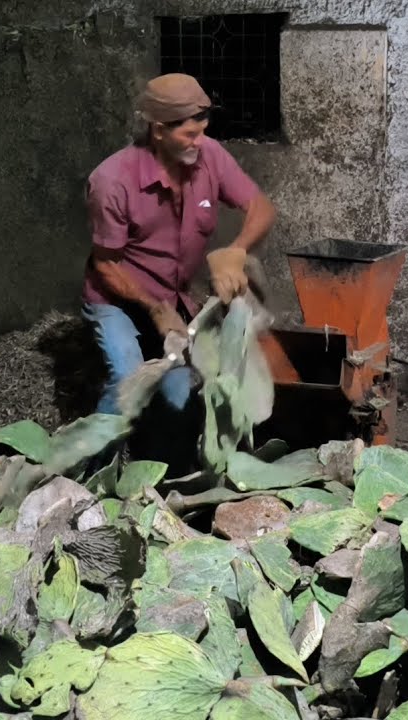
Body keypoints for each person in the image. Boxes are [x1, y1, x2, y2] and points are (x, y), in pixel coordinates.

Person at [81, 73, 276, 466]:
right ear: (157, 130)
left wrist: (236, 251)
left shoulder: (211, 156)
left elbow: (261, 206)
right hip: (117, 297)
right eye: (188, 134)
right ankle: (90, 474)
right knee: (127, 379)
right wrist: (154, 308)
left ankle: (164, 473)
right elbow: (106, 264)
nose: (199, 141)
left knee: (179, 390)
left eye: (203, 129)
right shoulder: (112, 181)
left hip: (174, 297)